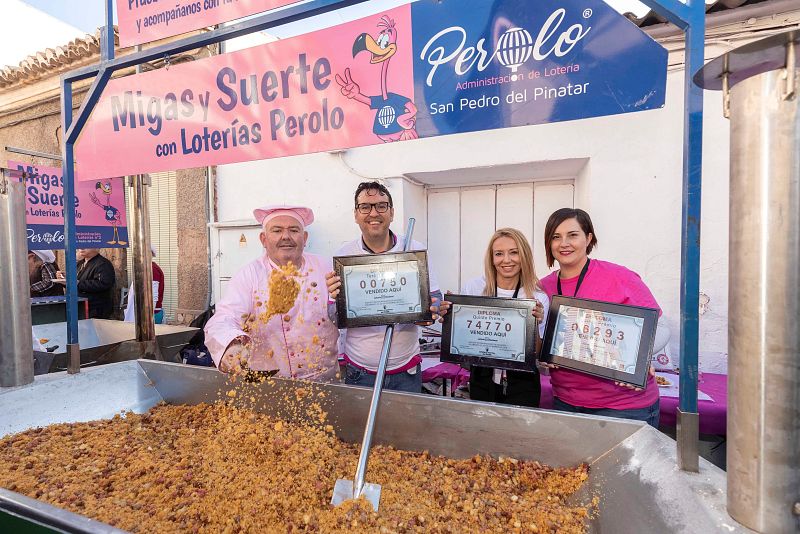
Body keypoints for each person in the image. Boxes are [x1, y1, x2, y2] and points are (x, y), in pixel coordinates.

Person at [539, 208, 662, 428]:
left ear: (588, 238)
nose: (564, 243)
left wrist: (640, 361)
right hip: (566, 402)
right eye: (556, 237)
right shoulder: (542, 287)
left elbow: (660, 328)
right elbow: (541, 337)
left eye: (572, 235)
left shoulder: (619, 276)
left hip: (624, 406)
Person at [325, 181, 449, 393]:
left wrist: (431, 309)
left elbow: (433, 301)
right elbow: (335, 318)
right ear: (356, 214)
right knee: (362, 426)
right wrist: (338, 301)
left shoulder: (413, 249)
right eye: (365, 207)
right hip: (360, 371)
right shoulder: (344, 255)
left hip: (406, 370)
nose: (374, 213)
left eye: (381, 206)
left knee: (405, 426)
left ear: (391, 212)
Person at [204, 205, 338, 381]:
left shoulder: (327, 268)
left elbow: (343, 313)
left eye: (294, 230)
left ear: (304, 238)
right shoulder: (249, 275)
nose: (286, 237)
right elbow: (225, 317)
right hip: (270, 382)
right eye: (277, 230)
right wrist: (232, 345)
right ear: (263, 239)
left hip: (323, 378)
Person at [461, 228, 547, 407]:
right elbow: (463, 339)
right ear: (491, 259)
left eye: (514, 252)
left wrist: (535, 324)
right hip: (482, 379)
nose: (506, 260)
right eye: (499, 254)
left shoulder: (538, 297)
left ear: (524, 255)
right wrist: (451, 318)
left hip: (523, 384)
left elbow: (538, 353)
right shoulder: (474, 289)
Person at [55, 249, 116, 319]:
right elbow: (75, 281)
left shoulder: (103, 264)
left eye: (86, 245)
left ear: (96, 247)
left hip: (95, 309)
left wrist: (78, 283)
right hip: (79, 306)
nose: (81, 248)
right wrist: (64, 278)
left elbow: (103, 284)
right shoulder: (80, 263)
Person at [123, 245, 165, 324]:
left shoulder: (152, 269)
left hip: (148, 315)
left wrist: (147, 318)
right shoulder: (144, 268)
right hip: (142, 313)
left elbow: (153, 295)